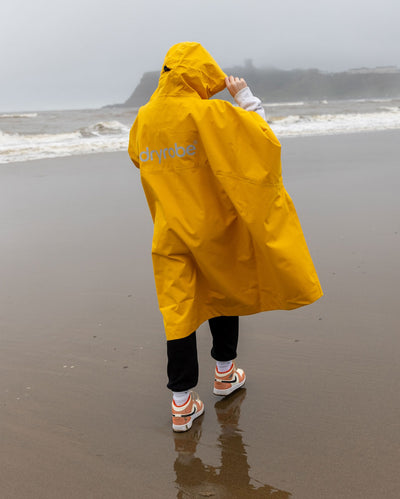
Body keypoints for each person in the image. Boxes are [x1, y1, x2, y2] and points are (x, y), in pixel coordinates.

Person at [128, 42, 323, 432]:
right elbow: (262, 141)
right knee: (223, 293)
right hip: (213, 226)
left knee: (178, 309)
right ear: (199, 73)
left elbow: (137, 156)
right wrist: (244, 97)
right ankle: (224, 373)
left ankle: (181, 403)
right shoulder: (209, 113)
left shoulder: (144, 118)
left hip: (168, 230)